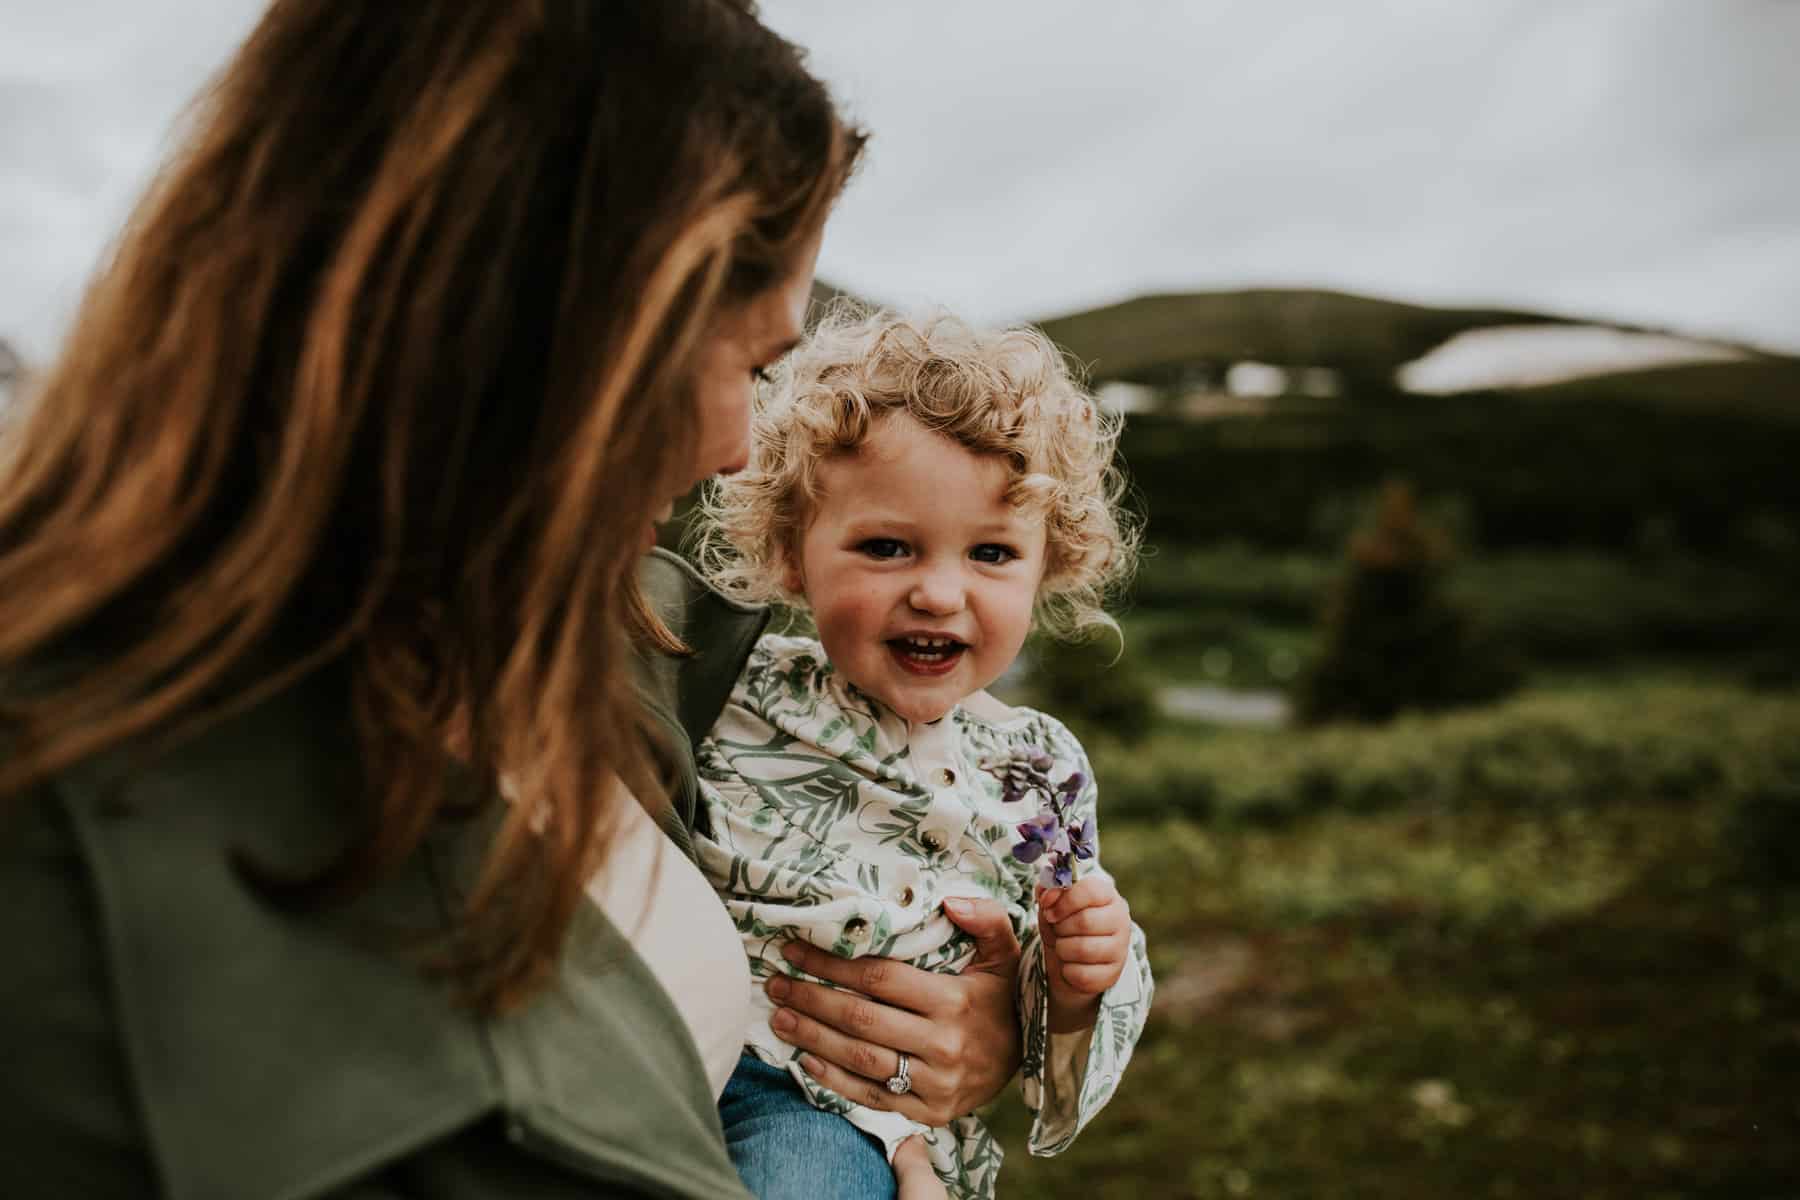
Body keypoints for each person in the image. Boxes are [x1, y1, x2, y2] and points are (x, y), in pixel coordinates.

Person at [0, 4, 1028, 1197]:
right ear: (522, 326)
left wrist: (966, 1035)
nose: (742, 449)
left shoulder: (625, 633)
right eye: (741, 365)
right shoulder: (58, 871)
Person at [690, 308, 1156, 1199]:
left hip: (830, 1106)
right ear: (792, 554)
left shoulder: (1036, 766)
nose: (938, 593)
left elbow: (1037, 992)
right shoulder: (726, 687)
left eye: (990, 553)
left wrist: (1083, 973)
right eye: (886, 547)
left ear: (1048, 564)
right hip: (662, 1040)